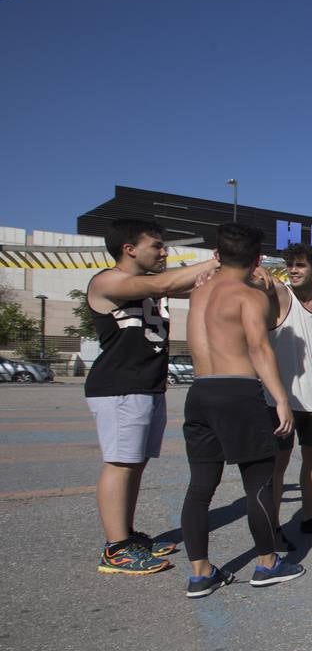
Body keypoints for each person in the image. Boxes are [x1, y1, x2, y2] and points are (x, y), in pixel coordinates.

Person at [84, 218, 220, 575]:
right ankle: (115, 550)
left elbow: (192, 286)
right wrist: (215, 260)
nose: (164, 252)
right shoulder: (108, 281)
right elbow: (166, 282)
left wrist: (227, 270)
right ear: (129, 249)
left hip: (147, 387)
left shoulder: (149, 285)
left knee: (135, 463)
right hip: (120, 387)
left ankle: (126, 536)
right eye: (156, 246)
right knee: (120, 463)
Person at [179, 223, 303, 598]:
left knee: (200, 488)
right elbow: (259, 348)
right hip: (238, 391)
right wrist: (281, 399)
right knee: (259, 484)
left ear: (217, 254)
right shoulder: (248, 295)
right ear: (258, 258)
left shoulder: (199, 291)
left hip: (200, 390)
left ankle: (200, 573)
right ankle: (267, 563)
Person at [262, 243, 312, 538]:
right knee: (279, 462)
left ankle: (309, 517)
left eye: (300, 265)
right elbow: (260, 277)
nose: (293, 270)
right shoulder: (283, 295)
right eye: (290, 265)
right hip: (280, 399)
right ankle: (272, 526)